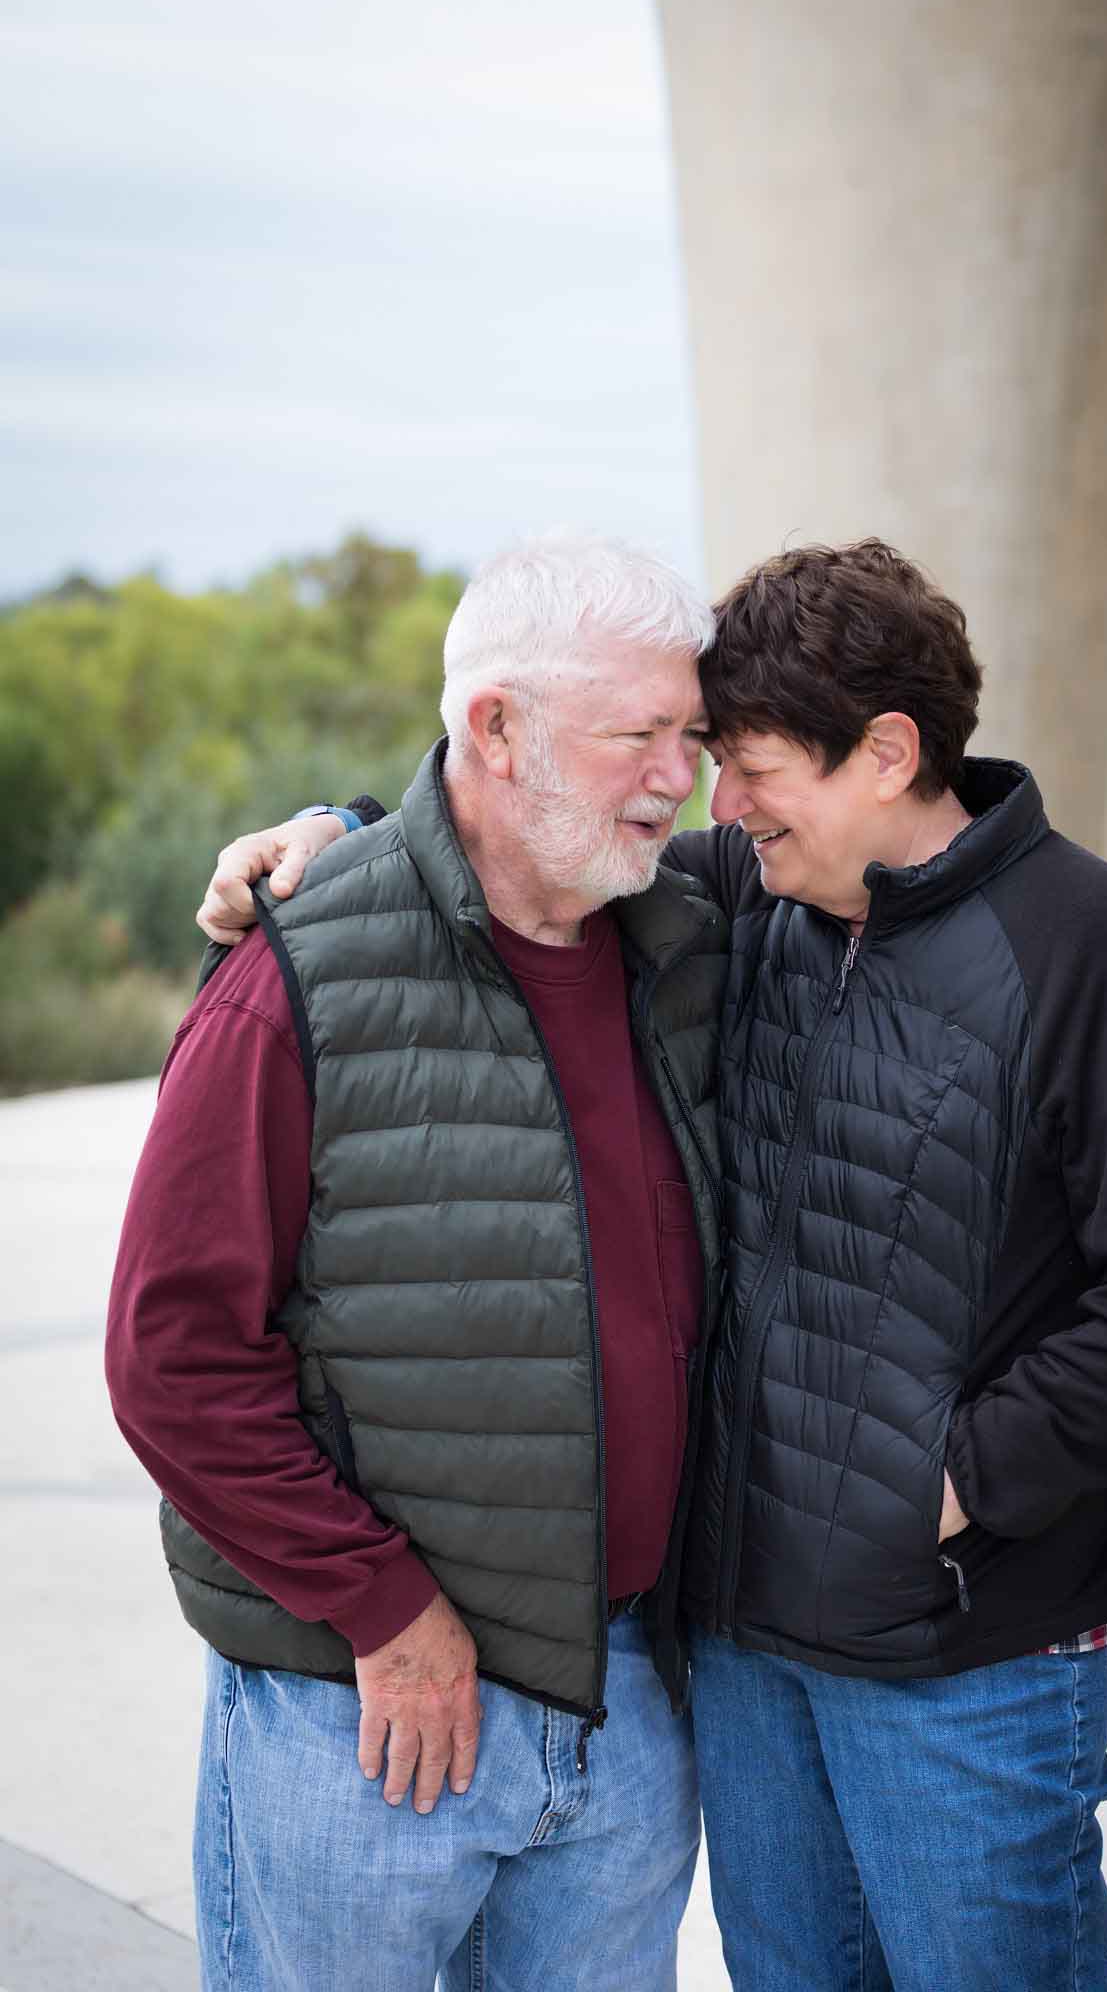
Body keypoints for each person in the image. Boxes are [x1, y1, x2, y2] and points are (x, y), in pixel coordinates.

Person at [199, 538, 1107, 1992]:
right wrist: (338, 828)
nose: (714, 800)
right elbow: (516, 835)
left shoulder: (1085, 942)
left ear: (886, 753)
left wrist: (945, 1487)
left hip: (965, 1653)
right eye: (699, 754)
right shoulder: (734, 903)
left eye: (747, 764)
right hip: (744, 1650)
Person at [106, 534, 729, 1992]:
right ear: (497, 728)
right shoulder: (297, 979)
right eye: (640, 736)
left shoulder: (688, 936)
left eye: (689, 739)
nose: (677, 780)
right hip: (368, 1713)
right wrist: (387, 1614)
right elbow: (175, 1359)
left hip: (629, 1697)